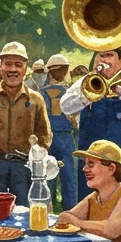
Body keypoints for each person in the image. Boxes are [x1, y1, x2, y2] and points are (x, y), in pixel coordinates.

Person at [61, 42, 121, 200]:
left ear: (120, 60)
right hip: (93, 158)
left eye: (109, 55)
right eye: (100, 55)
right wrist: (88, 95)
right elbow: (65, 106)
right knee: (90, 205)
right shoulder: (86, 81)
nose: (103, 60)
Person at [0, 41, 52, 209]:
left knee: (24, 211)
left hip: (23, 167)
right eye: (8, 64)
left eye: (18, 64)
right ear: (0, 67)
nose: (13, 70)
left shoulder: (36, 99)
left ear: (26, 68)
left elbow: (44, 134)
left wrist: (37, 160)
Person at [40, 53, 77, 212]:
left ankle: (49, 206)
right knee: (69, 175)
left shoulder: (41, 93)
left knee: (48, 174)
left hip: (49, 137)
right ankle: (71, 206)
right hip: (66, 137)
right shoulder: (69, 92)